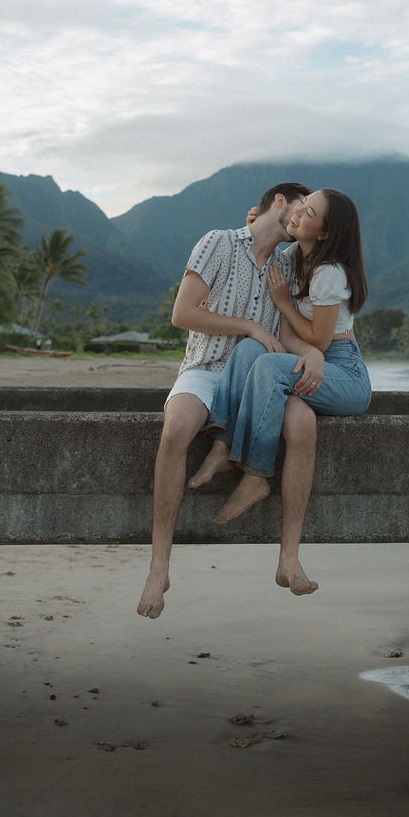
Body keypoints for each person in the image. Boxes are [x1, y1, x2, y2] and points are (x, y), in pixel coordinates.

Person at [136, 180, 323, 619]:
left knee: (304, 424)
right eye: (302, 207)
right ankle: (157, 568)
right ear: (280, 201)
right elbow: (183, 313)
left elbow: (291, 329)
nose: (304, 218)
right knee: (177, 428)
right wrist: (250, 327)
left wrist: (312, 353)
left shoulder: (291, 264)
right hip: (205, 369)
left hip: (258, 378)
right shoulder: (219, 242)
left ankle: (289, 559)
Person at [189, 188, 371, 596]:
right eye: (299, 206)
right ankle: (222, 444)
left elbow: (320, 344)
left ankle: (255, 474)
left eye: (308, 213)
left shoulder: (329, 273)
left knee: (267, 364)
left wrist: (282, 302)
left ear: (324, 233)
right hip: (303, 361)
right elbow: (269, 232)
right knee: (251, 346)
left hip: (344, 374)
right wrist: (256, 220)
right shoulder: (295, 258)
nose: (297, 214)